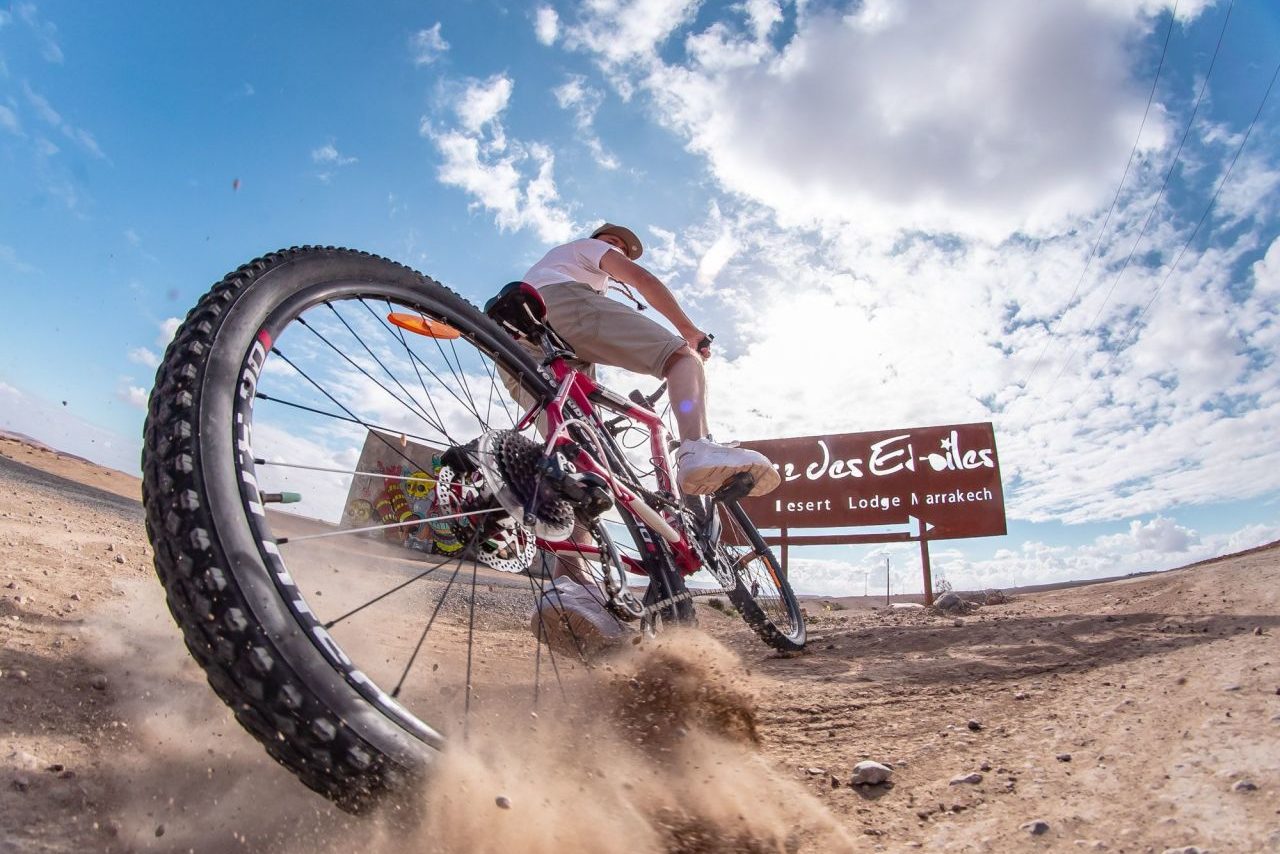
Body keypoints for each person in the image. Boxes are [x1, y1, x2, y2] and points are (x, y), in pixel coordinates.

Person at [512, 222, 781, 655]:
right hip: (560, 310)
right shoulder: (582, 254)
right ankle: (696, 447)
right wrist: (689, 330)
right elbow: (643, 281)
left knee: (578, 469)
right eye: (614, 242)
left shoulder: (557, 271)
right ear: (599, 240)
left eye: (624, 248)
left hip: (519, 344)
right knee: (681, 358)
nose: (618, 250)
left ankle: (570, 589)